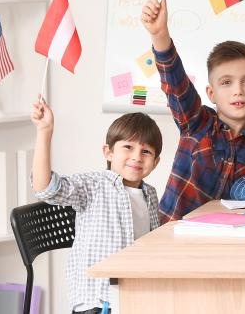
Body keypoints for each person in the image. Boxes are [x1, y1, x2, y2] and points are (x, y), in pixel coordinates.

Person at [141, 0, 245, 222]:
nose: (238, 91)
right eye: (226, 83)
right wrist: (160, 35)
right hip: (175, 237)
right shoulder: (196, 122)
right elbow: (176, 82)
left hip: (232, 241)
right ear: (211, 93)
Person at [31, 96, 162, 314]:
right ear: (108, 152)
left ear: (155, 162)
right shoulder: (93, 186)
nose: (137, 157)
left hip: (133, 297)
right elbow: (46, 188)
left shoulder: (150, 194)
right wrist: (44, 132)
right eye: (128, 147)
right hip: (98, 302)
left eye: (146, 151)